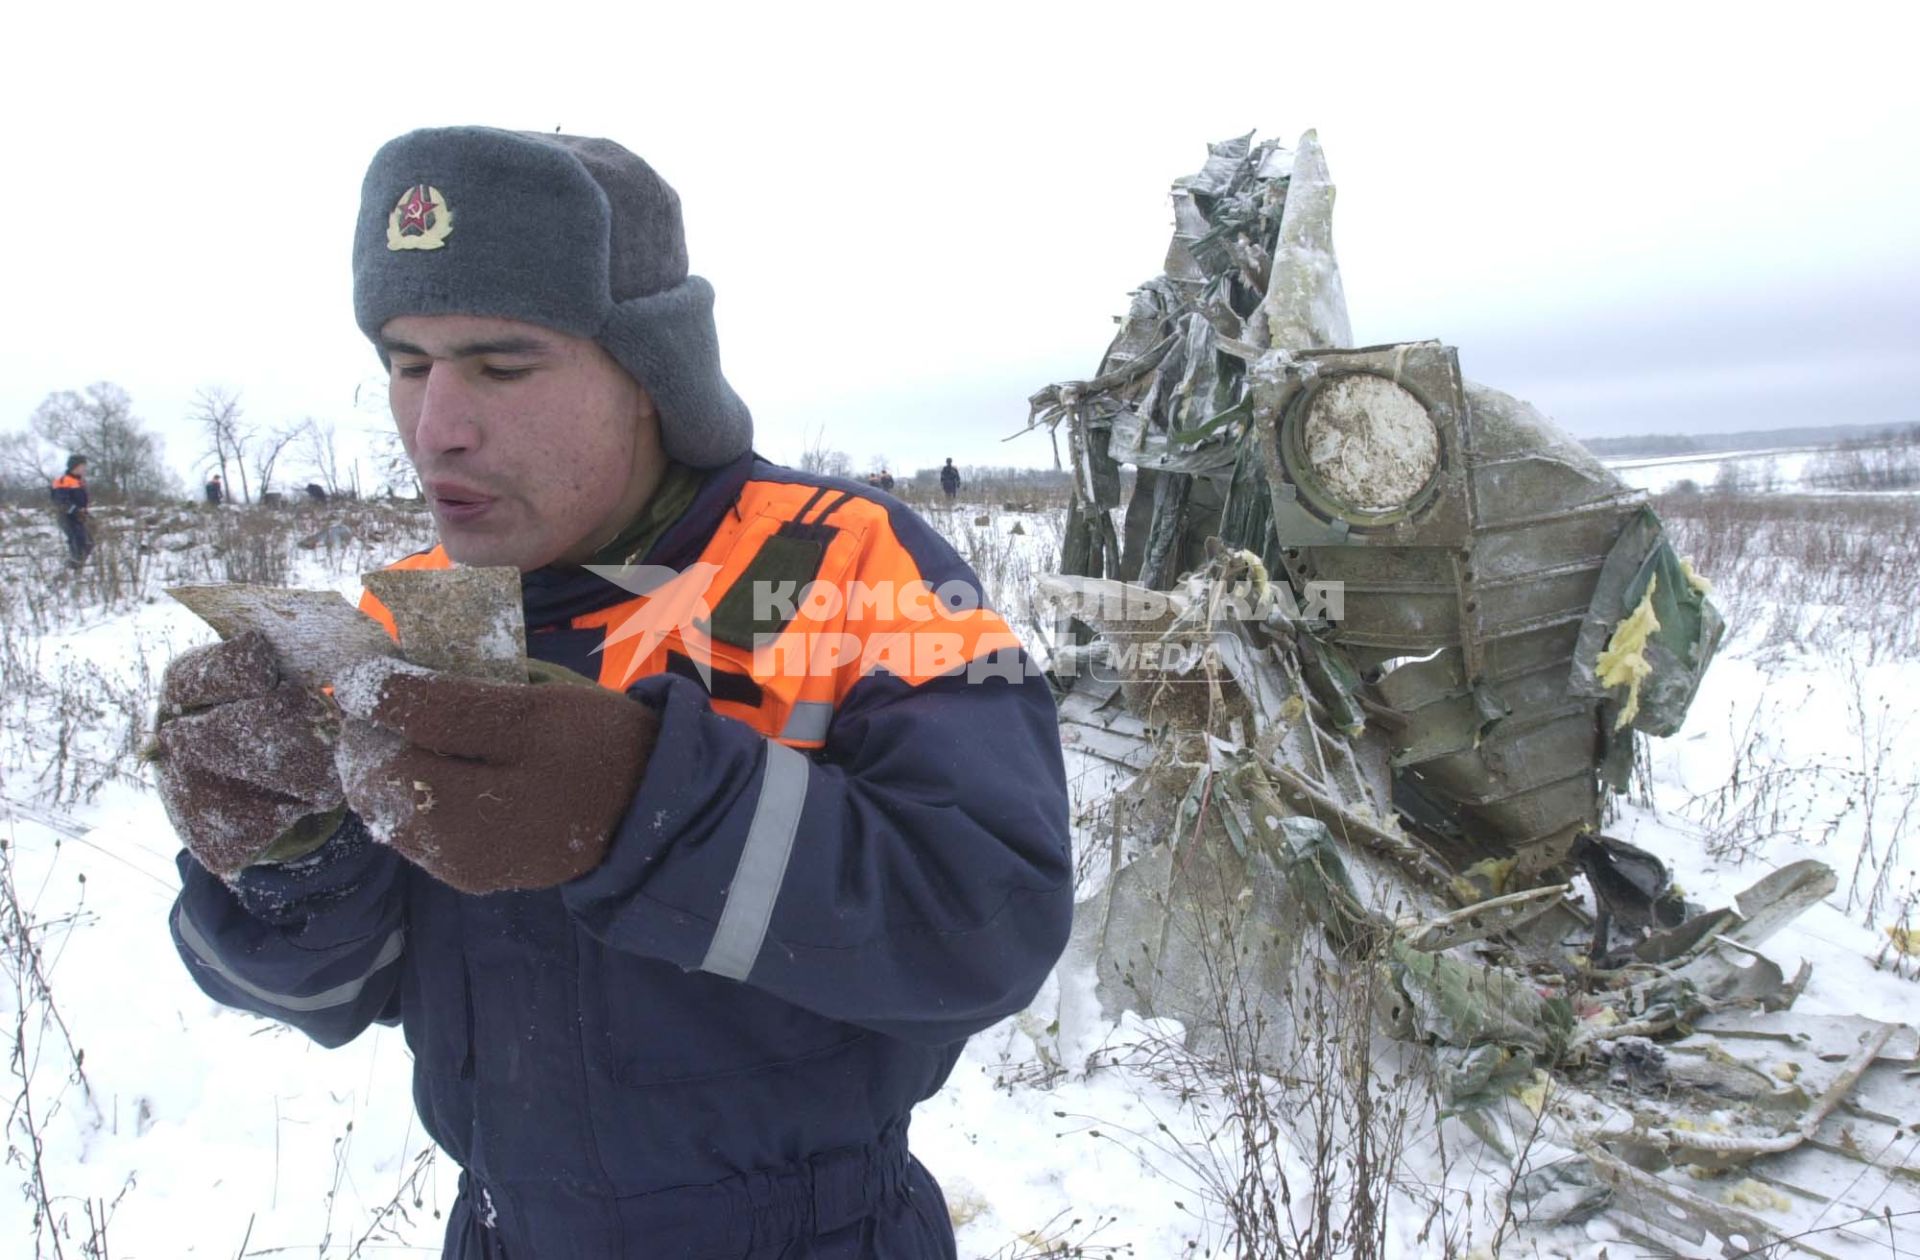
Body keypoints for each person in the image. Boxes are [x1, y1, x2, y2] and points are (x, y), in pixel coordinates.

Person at [153, 127, 1073, 1259]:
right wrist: (284, 858)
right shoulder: (420, 611)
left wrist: (643, 807)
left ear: (650, 377)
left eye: (501, 365)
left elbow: (994, 928)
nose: (436, 425)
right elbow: (344, 994)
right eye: (406, 362)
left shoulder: (834, 562)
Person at [50, 454, 93, 568]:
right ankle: (73, 570)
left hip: (78, 517)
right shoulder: (63, 481)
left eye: (85, 465)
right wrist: (76, 511)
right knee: (78, 543)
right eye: (82, 465)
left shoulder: (79, 481)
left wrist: (84, 512)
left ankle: (78, 566)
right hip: (67, 517)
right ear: (75, 466)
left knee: (88, 543)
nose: (84, 468)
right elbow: (62, 502)